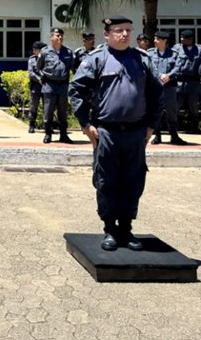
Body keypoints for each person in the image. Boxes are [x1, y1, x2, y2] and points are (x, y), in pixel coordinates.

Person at [69, 16, 162, 252]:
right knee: (106, 181)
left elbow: (156, 93)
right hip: (106, 132)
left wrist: (151, 125)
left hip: (136, 132)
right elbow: (77, 90)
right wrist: (85, 124)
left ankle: (127, 228)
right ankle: (110, 229)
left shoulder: (142, 60)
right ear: (107, 34)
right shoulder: (96, 59)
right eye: (119, 31)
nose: (124, 35)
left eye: (128, 31)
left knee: (133, 181)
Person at [148, 31, 186, 145]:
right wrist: (160, 75)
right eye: (155, 39)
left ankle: (174, 135)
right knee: (156, 111)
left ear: (164, 41)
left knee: (172, 112)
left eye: (157, 39)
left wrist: (169, 76)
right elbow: (150, 68)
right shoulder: (150, 53)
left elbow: (179, 68)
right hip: (156, 87)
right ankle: (157, 135)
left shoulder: (174, 54)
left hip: (170, 87)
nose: (155, 41)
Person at [38, 27, 74, 143]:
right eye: (57, 35)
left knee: (62, 112)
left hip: (63, 86)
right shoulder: (45, 52)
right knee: (48, 111)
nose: (60, 38)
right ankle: (48, 134)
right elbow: (38, 67)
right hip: (49, 85)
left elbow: (72, 68)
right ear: (51, 37)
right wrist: (41, 77)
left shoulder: (68, 52)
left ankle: (63, 135)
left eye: (61, 36)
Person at [173, 29, 201, 133]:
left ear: (190, 39)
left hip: (193, 82)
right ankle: (174, 127)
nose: (181, 39)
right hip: (180, 81)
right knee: (175, 106)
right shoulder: (177, 48)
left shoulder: (200, 50)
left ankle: (194, 127)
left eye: (184, 38)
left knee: (193, 107)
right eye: (181, 37)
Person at [27, 41, 46, 133]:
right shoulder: (32, 59)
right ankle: (32, 125)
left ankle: (47, 126)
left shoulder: (48, 59)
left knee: (48, 107)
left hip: (46, 86)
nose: (34, 51)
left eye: (35, 49)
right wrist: (39, 79)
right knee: (34, 106)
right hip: (36, 86)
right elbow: (31, 73)